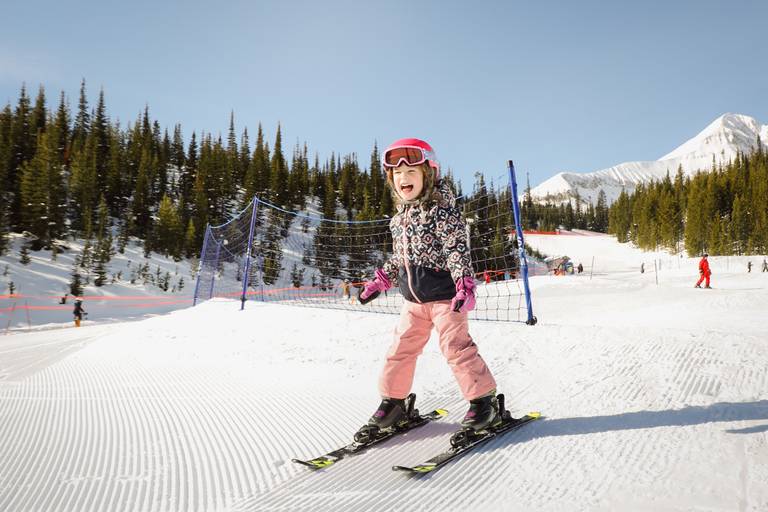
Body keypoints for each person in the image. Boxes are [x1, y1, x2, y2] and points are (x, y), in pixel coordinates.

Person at [357, 138, 500, 434]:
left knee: (456, 348)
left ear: (429, 174)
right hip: (413, 302)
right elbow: (399, 258)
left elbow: (456, 250)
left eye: (411, 171)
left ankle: (484, 402)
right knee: (400, 349)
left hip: (446, 298)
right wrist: (380, 280)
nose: (403, 177)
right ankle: (394, 402)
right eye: (397, 173)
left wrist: (464, 284)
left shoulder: (442, 212)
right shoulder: (399, 220)